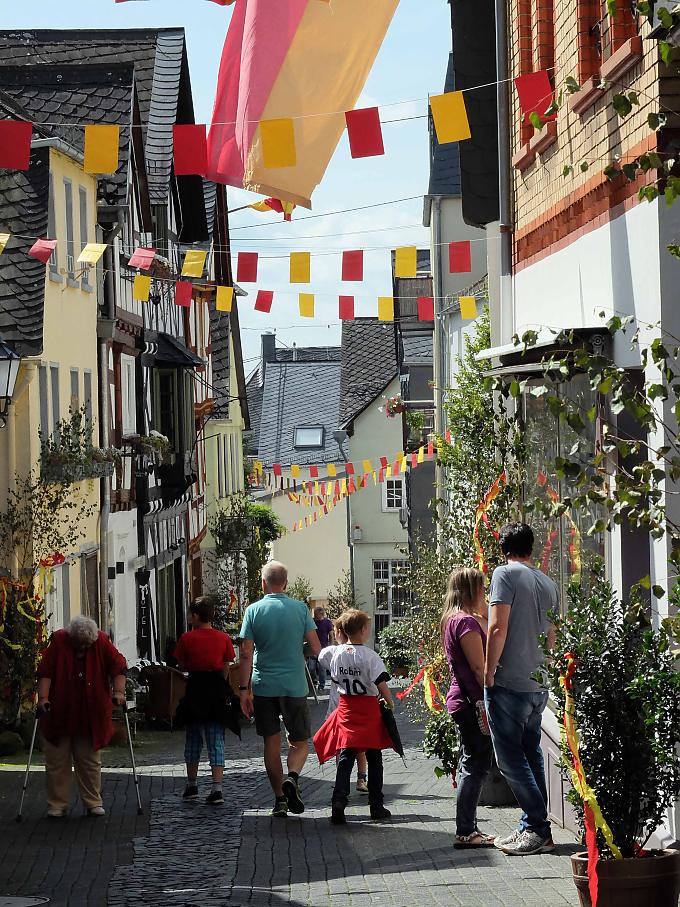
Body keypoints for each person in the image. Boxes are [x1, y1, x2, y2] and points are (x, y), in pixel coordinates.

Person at [484, 522, 558, 856]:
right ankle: (533, 826)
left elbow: (497, 626)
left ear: (503, 548)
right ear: (531, 548)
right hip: (537, 683)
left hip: (509, 682)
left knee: (510, 759)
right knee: (530, 753)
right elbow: (552, 633)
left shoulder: (505, 574)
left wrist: (488, 673)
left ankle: (538, 828)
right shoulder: (547, 582)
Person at [238, 561, 321, 817]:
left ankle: (279, 800)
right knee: (300, 742)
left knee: (271, 744)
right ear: (286, 583)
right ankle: (293, 777)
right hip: (294, 685)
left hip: (264, 687)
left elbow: (245, 652)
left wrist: (244, 690)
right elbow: (317, 649)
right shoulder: (300, 609)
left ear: (263, 583)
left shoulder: (253, 611)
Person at [36, 615, 127, 818]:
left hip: (90, 714)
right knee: (57, 760)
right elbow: (45, 671)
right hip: (60, 712)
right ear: (72, 638)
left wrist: (119, 693)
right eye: (79, 645)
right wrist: (43, 698)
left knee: (89, 760)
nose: (82, 649)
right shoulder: (59, 641)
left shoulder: (101, 641)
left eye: (87, 645)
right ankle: (57, 805)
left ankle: (93, 802)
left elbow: (118, 665)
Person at [313, 609, 394, 825]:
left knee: (346, 757)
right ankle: (376, 805)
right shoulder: (370, 656)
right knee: (374, 758)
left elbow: (331, 670)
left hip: (347, 708)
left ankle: (338, 801)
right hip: (368, 710)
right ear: (364, 630)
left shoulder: (337, 654)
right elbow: (380, 683)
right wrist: (389, 701)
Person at [442, 567, 495, 848]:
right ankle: (465, 831)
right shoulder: (465, 622)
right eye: (482, 588)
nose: (485, 594)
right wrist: (490, 696)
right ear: (473, 590)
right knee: (476, 765)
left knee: (471, 763)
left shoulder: (454, 619)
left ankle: (468, 828)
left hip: (462, 700)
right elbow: (478, 666)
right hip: (471, 701)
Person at [173, 596, 238, 806]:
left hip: (195, 689)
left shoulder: (187, 639)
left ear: (194, 616)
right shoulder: (223, 638)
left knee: (192, 739)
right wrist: (222, 683)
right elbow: (227, 664)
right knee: (215, 739)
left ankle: (192, 785)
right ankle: (217, 788)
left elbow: (182, 664)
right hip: (216, 689)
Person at [318, 616, 369, 794]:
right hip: (357, 707)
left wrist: (336, 642)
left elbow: (322, 657)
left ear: (339, 633)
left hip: (338, 708)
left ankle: (342, 779)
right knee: (360, 746)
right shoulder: (363, 653)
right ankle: (361, 779)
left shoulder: (334, 652)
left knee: (342, 746)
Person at [308, 606, 333, 692]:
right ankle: (314, 681)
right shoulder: (312, 621)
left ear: (321, 614)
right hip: (312, 647)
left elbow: (331, 635)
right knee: (311, 667)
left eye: (316, 614)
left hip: (323, 648)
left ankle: (322, 685)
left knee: (322, 668)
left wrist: (331, 646)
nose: (314, 615)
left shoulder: (327, 622)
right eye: (314, 614)